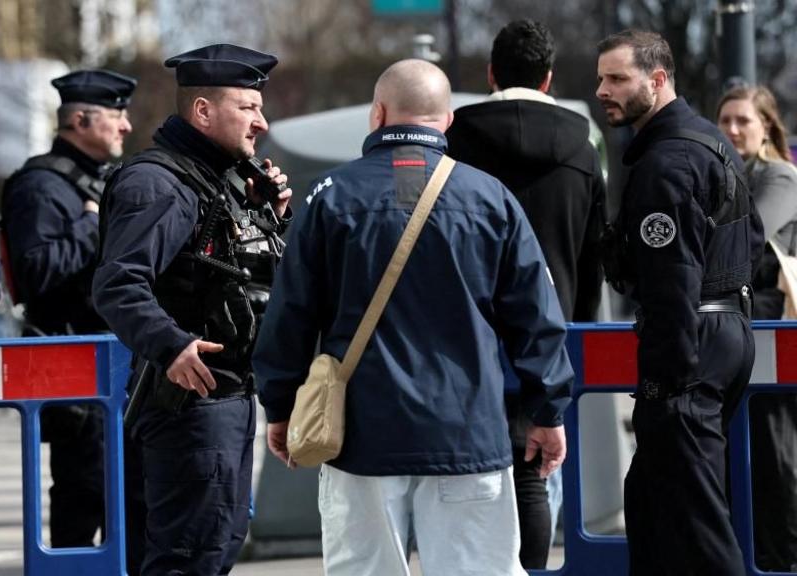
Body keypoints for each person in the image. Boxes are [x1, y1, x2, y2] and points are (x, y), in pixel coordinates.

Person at [253, 58, 571, 576]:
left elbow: (290, 312)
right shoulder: (491, 198)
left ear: (377, 114)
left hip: (361, 435)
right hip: (469, 433)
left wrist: (282, 404)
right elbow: (535, 317)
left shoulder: (329, 197)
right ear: (446, 120)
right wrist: (547, 410)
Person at [91, 44, 291, 575]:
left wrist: (270, 217)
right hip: (190, 408)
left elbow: (240, 280)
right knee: (190, 556)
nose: (261, 122)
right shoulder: (158, 183)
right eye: (247, 107)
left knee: (213, 547)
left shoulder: (218, 182)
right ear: (203, 111)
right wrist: (171, 343)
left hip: (223, 402)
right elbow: (118, 283)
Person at [596, 30, 762, 576]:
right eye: (601, 78)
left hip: (688, 351)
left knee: (697, 526)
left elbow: (671, 283)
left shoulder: (667, 164)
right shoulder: (710, 142)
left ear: (658, 80)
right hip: (723, 335)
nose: (603, 89)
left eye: (617, 78)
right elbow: (752, 243)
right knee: (651, 504)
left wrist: (666, 381)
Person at [446, 19, 606, 567]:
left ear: (491, 74)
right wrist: (575, 331)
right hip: (549, 334)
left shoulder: (454, 140)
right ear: (548, 79)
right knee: (535, 474)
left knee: (462, 486)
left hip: (464, 335)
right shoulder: (583, 150)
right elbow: (593, 254)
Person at [0, 68, 135, 548]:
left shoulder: (103, 180)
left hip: (116, 369)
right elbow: (36, 271)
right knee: (84, 499)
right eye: (116, 115)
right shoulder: (41, 187)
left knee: (128, 502)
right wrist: (91, 226)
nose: (126, 126)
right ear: (80, 119)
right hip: (76, 373)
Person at [717, 84, 797, 572]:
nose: (731, 129)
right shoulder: (730, 173)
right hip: (743, 328)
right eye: (723, 119)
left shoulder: (778, 176)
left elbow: (748, 240)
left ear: (766, 125)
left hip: (771, 326)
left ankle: (782, 559)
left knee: (773, 453)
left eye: (742, 120)